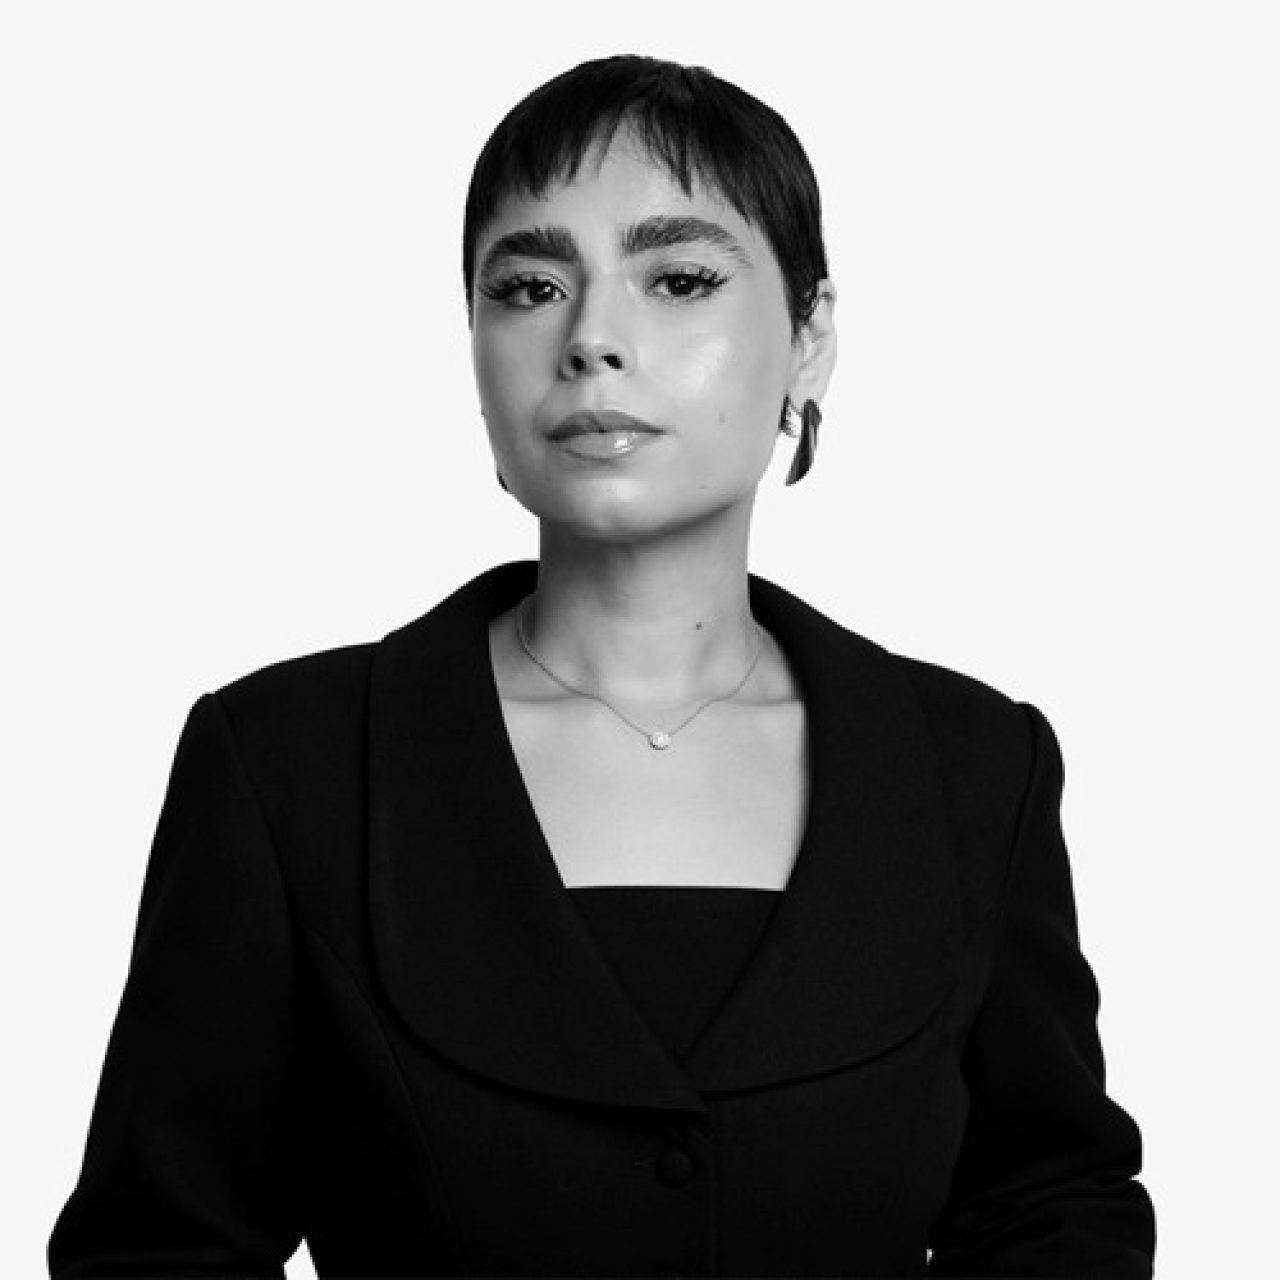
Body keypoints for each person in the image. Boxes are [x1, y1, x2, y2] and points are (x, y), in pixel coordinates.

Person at [48, 54, 1156, 1278]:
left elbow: (1052, 1207)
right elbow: (160, 1246)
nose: (589, 340)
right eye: (529, 287)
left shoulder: (971, 767)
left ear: (808, 338)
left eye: (677, 279)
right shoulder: (286, 764)